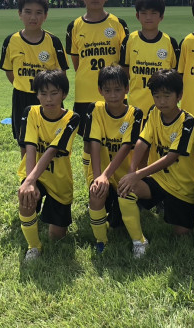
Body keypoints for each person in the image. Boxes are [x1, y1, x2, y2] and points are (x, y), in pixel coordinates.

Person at [117, 69, 194, 258]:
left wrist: (138, 174)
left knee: (182, 236)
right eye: (157, 96)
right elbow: (142, 141)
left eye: (167, 96)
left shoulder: (188, 121)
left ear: (179, 95)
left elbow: (171, 157)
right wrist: (131, 171)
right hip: (158, 179)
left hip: (182, 186)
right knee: (125, 190)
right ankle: (139, 242)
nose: (161, 101)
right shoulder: (154, 112)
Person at [65, 0, 129, 176]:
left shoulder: (118, 23)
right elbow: (77, 61)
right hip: (86, 93)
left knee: (117, 139)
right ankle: (91, 179)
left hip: (114, 93)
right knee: (88, 140)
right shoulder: (74, 26)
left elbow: (125, 60)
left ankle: (115, 178)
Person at [16, 70, 80, 261]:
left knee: (57, 237)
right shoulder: (31, 112)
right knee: (25, 197)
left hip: (59, 179)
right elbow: (30, 147)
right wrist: (29, 182)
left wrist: (30, 180)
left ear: (64, 94)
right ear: (37, 95)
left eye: (54, 93)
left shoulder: (72, 118)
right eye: (43, 94)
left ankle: (49, 218)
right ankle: (33, 247)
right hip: (34, 174)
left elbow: (52, 150)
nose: (48, 99)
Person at [0, 0, 69, 155]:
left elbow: (61, 74)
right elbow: (9, 72)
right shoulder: (11, 41)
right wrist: (23, 85)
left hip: (49, 98)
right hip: (22, 97)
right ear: (20, 14)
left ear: (45, 16)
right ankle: (27, 172)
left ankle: (52, 171)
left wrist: (53, 94)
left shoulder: (53, 41)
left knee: (52, 142)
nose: (33, 17)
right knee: (24, 142)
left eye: (38, 13)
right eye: (28, 12)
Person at [84, 66, 143, 254]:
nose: (113, 95)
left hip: (124, 174)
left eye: (118, 89)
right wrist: (98, 177)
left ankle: (138, 241)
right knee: (97, 194)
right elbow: (94, 143)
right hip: (101, 171)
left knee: (119, 221)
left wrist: (106, 175)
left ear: (127, 89)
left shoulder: (135, 113)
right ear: (100, 90)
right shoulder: (95, 109)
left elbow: (126, 147)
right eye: (107, 90)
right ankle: (101, 241)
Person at [119, 0, 178, 117]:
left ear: (161, 16)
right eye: (144, 13)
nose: (148, 17)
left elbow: (175, 76)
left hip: (163, 109)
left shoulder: (170, 42)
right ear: (137, 15)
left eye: (153, 13)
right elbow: (125, 72)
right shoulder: (129, 40)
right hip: (136, 107)